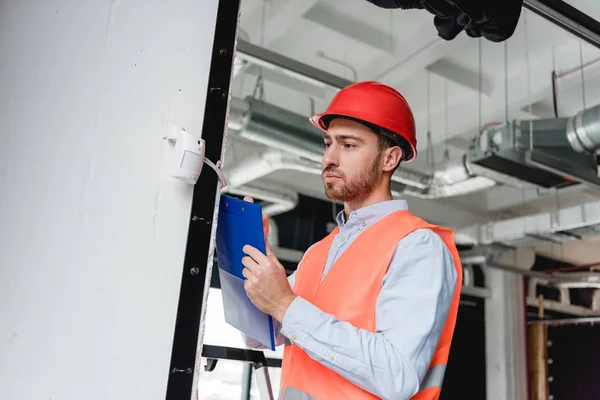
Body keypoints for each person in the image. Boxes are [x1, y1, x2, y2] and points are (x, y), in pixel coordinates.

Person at [239, 81, 463, 400]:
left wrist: (284, 303)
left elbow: (397, 375)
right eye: (328, 143)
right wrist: (249, 263)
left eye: (348, 145)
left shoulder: (417, 245)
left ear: (389, 158)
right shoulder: (319, 252)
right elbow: (257, 336)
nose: (329, 157)